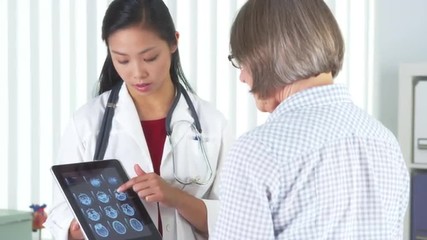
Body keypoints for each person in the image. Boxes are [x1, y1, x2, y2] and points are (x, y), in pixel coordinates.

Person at [212, 0, 409, 239]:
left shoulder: (256, 152)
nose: (242, 76)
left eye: (242, 62)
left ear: (266, 54)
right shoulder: (386, 142)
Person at [44, 0, 232, 239]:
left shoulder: (211, 124)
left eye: (150, 58)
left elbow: (232, 220)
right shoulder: (87, 123)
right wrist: (84, 225)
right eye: (122, 60)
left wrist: (175, 197)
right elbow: (59, 216)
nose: (137, 73)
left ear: (174, 42)